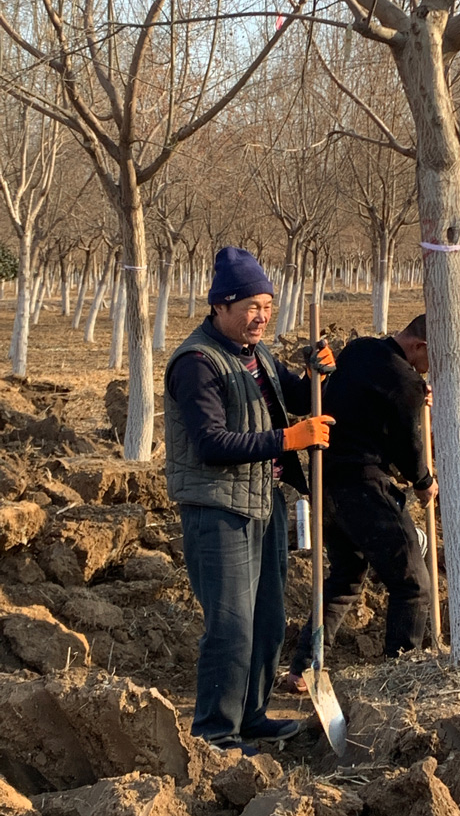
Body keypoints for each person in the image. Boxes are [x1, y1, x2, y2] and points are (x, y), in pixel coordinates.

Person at [164, 246, 335, 755]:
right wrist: (289, 440)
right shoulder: (197, 363)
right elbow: (211, 444)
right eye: (250, 307)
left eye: (268, 305)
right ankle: (216, 733)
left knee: (267, 619)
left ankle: (253, 715)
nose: (261, 317)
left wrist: (317, 375)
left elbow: (296, 402)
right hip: (218, 509)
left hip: (264, 501)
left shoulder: (255, 354)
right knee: (231, 626)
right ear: (220, 306)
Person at [287, 314, 438, 692]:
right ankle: (399, 678)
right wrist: (423, 482)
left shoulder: (360, 350)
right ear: (419, 345)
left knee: (346, 578)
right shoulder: (405, 381)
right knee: (413, 586)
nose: (432, 367)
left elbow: (368, 402)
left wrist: (416, 392)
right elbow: (409, 445)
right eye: (432, 357)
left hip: (327, 483)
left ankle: (302, 669)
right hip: (365, 488)